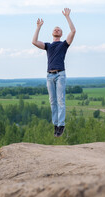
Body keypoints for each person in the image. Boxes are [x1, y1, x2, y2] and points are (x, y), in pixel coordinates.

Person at [32, 8, 76, 137]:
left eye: (59, 29)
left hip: (60, 74)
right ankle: (55, 125)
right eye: (55, 29)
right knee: (52, 101)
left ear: (61, 34)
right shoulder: (48, 46)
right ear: (52, 33)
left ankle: (61, 125)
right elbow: (34, 42)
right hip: (49, 75)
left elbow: (73, 31)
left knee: (60, 100)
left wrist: (67, 16)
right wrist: (38, 27)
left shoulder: (64, 44)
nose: (57, 30)